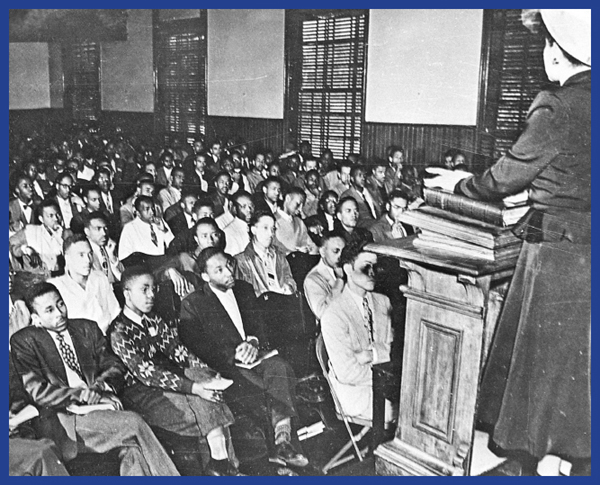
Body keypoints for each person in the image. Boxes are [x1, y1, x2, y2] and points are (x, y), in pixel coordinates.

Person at [424, 9, 591, 476]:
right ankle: (562, 458)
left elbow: (504, 176)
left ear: (556, 52)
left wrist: (460, 185)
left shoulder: (559, 104)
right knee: (573, 373)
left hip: (556, 254)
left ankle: (542, 459)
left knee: (541, 368)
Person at [10, 282, 180, 476]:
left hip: (99, 408)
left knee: (132, 449)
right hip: (65, 419)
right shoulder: (24, 341)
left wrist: (100, 389)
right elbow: (38, 392)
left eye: (60, 304)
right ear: (36, 319)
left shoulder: (86, 328)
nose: (59, 313)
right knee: (133, 423)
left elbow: (114, 366)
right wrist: (84, 395)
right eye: (49, 310)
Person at [179, 248, 309, 469]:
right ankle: (274, 455)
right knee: (263, 387)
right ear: (205, 276)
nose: (228, 273)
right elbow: (197, 345)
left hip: (256, 357)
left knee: (280, 368)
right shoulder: (193, 303)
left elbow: (259, 325)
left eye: (228, 266)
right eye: (219, 270)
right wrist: (233, 355)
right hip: (227, 367)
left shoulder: (244, 289)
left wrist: (254, 342)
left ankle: (283, 440)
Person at [108, 267, 241, 476]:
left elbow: (177, 350)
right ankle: (224, 465)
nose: (151, 295)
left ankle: (221, 466)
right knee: (206, 404)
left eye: (153, 289)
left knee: (208, 389)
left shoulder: (153, 319)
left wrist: (205, 371)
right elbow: (147, 373)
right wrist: (194, 387)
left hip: (170, 382)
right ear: (127, 293)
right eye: (144, 290)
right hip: (141, 393)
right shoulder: (119, 332)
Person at [320, 240, 394, 422]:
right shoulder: (333, 314)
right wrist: (389, 374)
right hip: (355, 394)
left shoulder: (383, 301)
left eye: (375, 267)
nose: (372, 273)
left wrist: (371, 354)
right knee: (412, 412)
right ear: (347, 269)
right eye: (366, 266)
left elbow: (395, 349)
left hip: (383, 385)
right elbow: (347, 373)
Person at [234, 211, 297, 297]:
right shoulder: (241, 261)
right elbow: (245, 295)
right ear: (253, 230)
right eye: (265, 228)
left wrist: (289, 287)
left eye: (273, 229)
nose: (271, 234)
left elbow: (290, 279)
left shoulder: (278, 255)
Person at [9, 199, 72, 276]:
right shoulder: (30, 231)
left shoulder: (66, 234)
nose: (56, 219)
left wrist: (60, 239)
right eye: (50, 216)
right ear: (41, 219)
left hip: (61, 277)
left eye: (58, 214)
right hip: (37, 279)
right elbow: (11, 244)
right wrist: (26, 249)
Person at [303, 230, 346, 321]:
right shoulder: (312, 279)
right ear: (322, 251)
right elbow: (324, 313)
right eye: (336, 251)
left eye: (344, 251)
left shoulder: (348, 268)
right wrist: (340, 280)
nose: (341, 256)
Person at [118, 195, 175, 262]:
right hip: (144, 267)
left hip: (163, 263)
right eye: (147, 209)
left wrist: (164, 230)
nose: (152, 212)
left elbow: (174, 246)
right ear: (138, 213)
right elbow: (123, 256)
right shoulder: (129, 228)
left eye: (152, 208)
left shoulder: (160, 222)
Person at [84, 211, 123, 284]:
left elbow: (123, 276)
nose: (104, 233)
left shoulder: (110, 246)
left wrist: (112, 258)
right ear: (87, 231)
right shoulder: (84, 251)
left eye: (105, 228)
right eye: (98, 229)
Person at [274, 187, 314, 255]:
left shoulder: (299, 222)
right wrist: (296, 251)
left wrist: (308, 248)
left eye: (302, 206)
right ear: (288, 198)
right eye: (298, 204)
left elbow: (310, 244)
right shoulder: (273, 220)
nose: (300, 209)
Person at [222, 191, 255, 256]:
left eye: (251, 205)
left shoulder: (257, 226)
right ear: (235, 209)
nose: (249, 210)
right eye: (243, 206)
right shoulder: (229, 232)